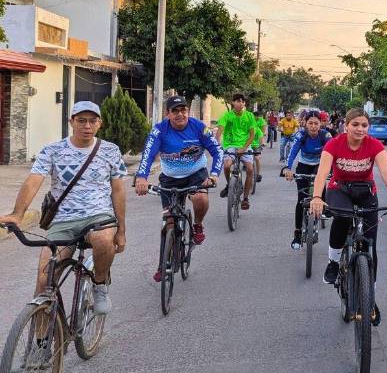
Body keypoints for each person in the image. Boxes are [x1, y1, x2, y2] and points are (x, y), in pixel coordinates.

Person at [0, 101, 127, 315]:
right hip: (63, 221)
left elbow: (118, 191)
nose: (87, 126)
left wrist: (121, 230)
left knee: (104, 240)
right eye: (81, 120)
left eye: (92, 121)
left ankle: (99, 285)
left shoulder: (110, 150)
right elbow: (34, 180)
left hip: (98, 215)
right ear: (71, 122)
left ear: (99, 124)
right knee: (44, 281)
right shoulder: (53, 150)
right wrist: (17, 214)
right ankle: (41, 344)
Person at [309, 109, 387, 326]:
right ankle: (334, 262)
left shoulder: (374, 145)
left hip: (366, 191)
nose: (360, 129)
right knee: (342, 219)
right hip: (339, 189)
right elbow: (322, 172)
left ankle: (369, 299)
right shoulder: (334, 144)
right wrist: (317, 196)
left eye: (364, 125)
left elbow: (385, 171)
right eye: (355, 124)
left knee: (370, 243)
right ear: (346, 126)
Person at [135, 96, 222, 281]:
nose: (180, 114)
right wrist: (141, 177)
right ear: (168, 114)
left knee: (200, 198)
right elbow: (148, 155)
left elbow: (217, 151)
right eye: (175, 111)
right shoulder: (159, 130)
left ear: (188, 112)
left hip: (196, 174)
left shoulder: (199, 127)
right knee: (168, 223)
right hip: (170, 178)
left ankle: (197, 225)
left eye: (183, 110)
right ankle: (163, 264)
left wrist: (214, 174)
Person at [284, 111, 332, 249]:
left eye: (316, 123)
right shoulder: (301, 135)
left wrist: (335, 171)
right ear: (305, 123)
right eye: (310, 123)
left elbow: (333, 152)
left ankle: (324, 204)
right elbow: (293, 151)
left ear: (320, 124)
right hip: (303, 166)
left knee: (321, 184)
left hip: (319, 165)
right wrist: (287, 168)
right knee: (301, 199)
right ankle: (297, 234)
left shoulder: (325, 135)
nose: (313, 126)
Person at [216, 94, 259, 210]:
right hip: (230, 145)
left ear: (244, 103)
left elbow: (252, 135)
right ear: (233, 103)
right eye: (238, 101)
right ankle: (229, 185)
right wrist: (217, 144)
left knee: (250, 169)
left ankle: (245, 198)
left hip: (245, 146)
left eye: (242, 101)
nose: (240, 103)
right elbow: (220, 130)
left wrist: (244, 148)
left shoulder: (249, 116)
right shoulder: (227, 116)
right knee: (226, 166)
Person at [252, 109, 267, 183]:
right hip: (246, 146)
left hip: (256, 146)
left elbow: (261, 137)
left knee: (257, 158)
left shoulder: (258, 129)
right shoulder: (245, 129)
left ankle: (258, 174)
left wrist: (262, 143)